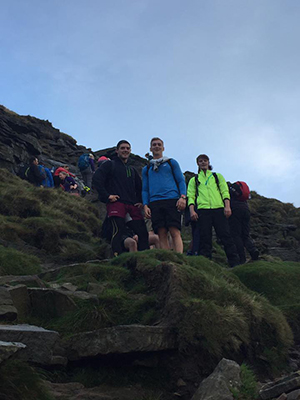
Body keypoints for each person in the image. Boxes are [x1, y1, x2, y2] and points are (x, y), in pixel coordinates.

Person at [92, 140, 149, 256]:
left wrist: (140, 201)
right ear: (117, 151)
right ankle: (115, 257)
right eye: (122, 148)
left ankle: (144, 257)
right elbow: (97, 178)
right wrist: (106, 196)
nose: (125, 150)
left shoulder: (131, 169)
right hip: (116, 203)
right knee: (117, 230)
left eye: (128, 148)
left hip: (131, 205)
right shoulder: (110, 164)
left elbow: (139, 187)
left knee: (142, 231)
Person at [187, 154, 240, 267]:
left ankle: (234, 263)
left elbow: (224, 191)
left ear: (208, 162)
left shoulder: (217, 176)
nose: (203, 163)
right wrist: (192, 210)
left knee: (225, 235)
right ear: (198, 164)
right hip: (203, 210)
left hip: (218, 209)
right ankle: (207, 264)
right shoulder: (194, 180)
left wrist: (227, 206)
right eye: (200, 161)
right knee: (205, 237)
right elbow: (190, 196)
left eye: (205, 160)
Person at [142, 137, 187, 253]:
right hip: (155, 202)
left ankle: (179, 258)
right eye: (154, 145)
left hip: (172, 199)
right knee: (161, 232)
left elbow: (181, 181)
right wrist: (145, 205)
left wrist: (183, 197)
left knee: (174, 231)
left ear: (163, 148)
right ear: (150, 148)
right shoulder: (147, 169)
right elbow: (145, 189)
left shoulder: (171, 163)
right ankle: (167, 258)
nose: (156, 146)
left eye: (159, 144)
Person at [228, 182, 259, 264]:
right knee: (245, 235)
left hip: (235, 209)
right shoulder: (239, 187)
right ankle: (253, 250)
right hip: (246, 209)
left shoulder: (230, 188)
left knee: (236, 235)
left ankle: (242, 258)